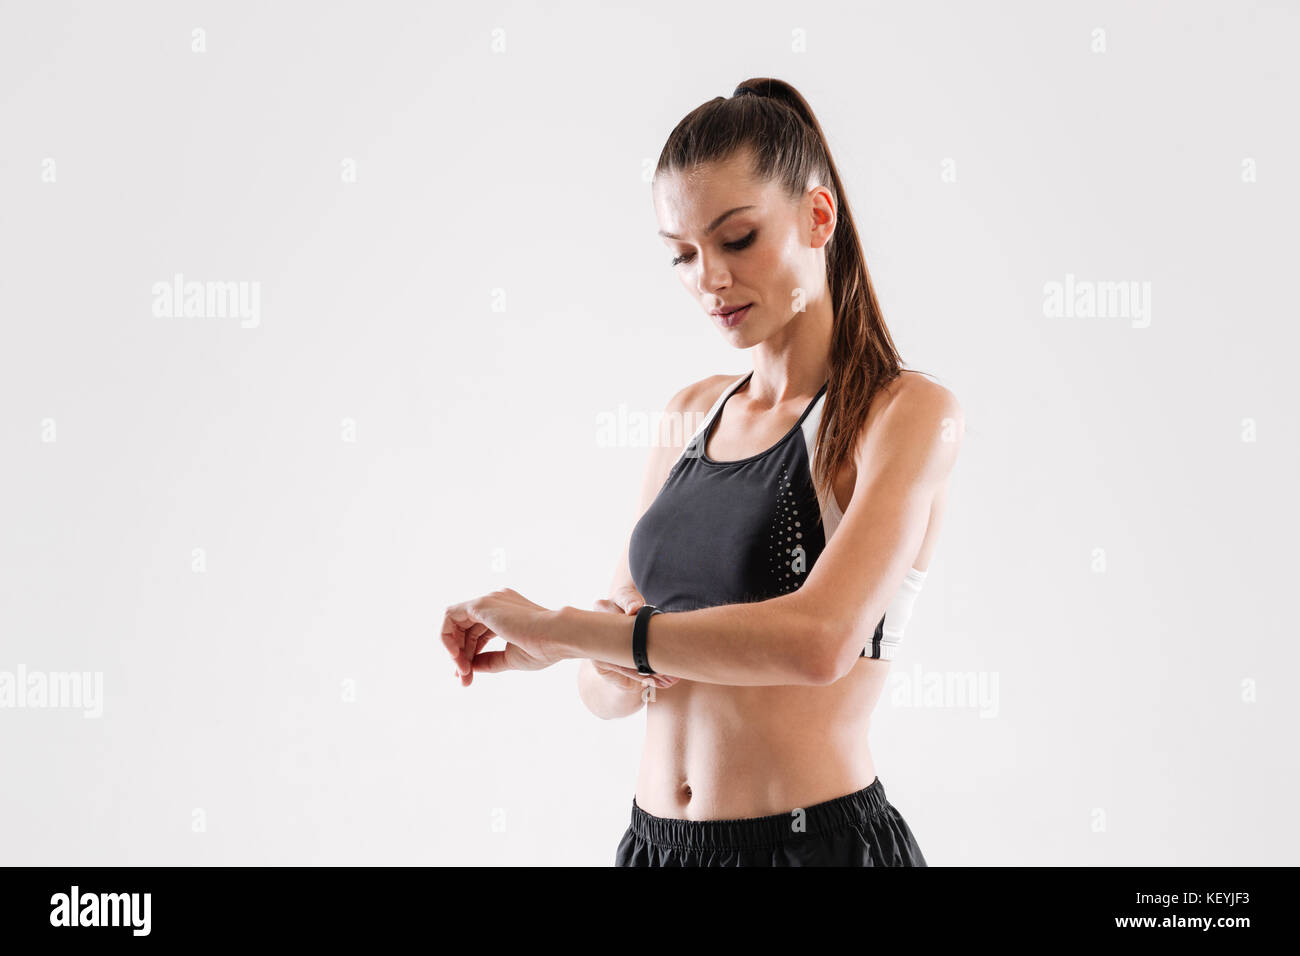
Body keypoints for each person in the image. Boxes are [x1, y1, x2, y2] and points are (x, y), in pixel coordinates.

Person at [441, 77, 963, 866]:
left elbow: (817, 642)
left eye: (737, 239)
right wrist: (600, 660)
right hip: (655, 847)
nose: (708, 279)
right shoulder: (691, 412)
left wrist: (563, 630)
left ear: (818, 217)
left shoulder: (904, 414)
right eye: (682, 254)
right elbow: (607, 682)